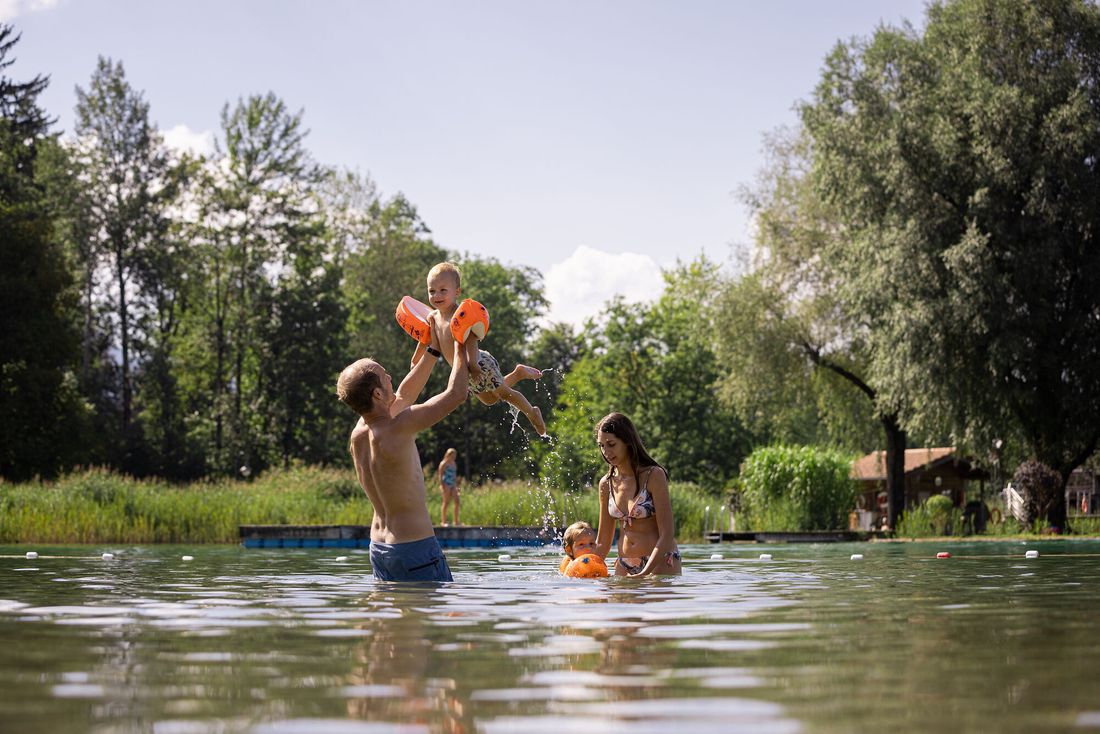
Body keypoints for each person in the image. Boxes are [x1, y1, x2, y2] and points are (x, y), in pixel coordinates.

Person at [336, 338, 468, 582]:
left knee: (390, 619)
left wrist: (433, 350)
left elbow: (404, 395)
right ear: (377, 393)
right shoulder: (400, 426)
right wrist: (461, 343)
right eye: (383, 374)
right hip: (414, 548)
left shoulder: (359, 434)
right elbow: (457, 394)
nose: (389, 375)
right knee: (427, 618)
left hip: (378, 548)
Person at [411, 261, 546, 435]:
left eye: (443, 290)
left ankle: (531, 412)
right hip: (463, 371)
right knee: (490, 399)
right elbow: (426, 340)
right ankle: (517, 373)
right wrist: (416, 359)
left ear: (457, 292)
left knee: (504, 393)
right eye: (432, 291)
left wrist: (474, 365)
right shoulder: (433, 317)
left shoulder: (460, 314)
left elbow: (471, 340)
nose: (437, 295)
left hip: (478, 362)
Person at [593, 412, 681, 576]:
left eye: (611, 444)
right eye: (601, 445)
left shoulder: (654, 475)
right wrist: (581, 571)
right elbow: (603, 543)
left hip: (661, 562)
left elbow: (667, 533)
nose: (606, 451)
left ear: (627, 441)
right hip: (625, 564)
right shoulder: (606, 484)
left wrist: (644, 573)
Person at [437, 447, 461, 527]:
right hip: (446, 484)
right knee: (446, 502)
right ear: (448, 455)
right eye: (453, 455)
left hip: (452, 484)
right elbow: (440, 475)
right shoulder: (443, 463)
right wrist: (441, 486)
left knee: (457, 501)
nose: (454, 457)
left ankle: (456, 521)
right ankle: (443, 522)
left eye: (455, 455)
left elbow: (454, 475)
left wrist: (456, 486)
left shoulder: (454, 463)